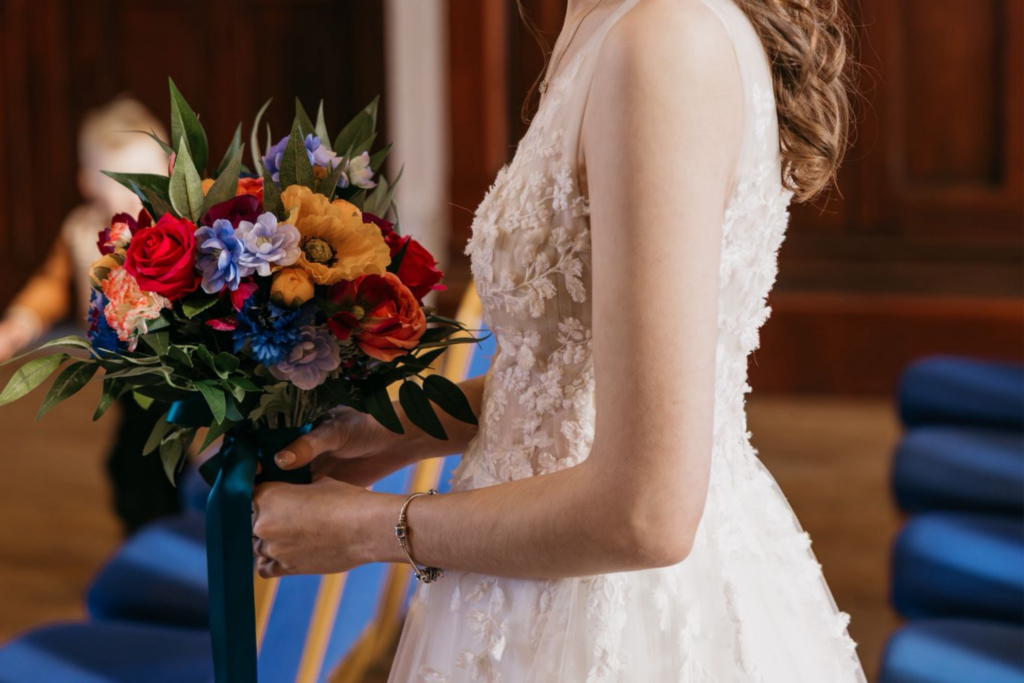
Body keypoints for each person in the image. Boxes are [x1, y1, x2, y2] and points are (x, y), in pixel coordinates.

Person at [252, 0, 867, 680]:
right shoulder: (599, 18)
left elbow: (646, 514)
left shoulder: (662, 42)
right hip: (518, 575)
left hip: (612, 609)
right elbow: (576, 376)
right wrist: (395, 430)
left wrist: (365, 528)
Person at [0, 97, 180, 534]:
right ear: (87, 184)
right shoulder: (83, 230)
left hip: (184, 363)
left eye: (145, 177)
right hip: (126, 370)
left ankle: (182, 527)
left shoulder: (179, 226)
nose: (134, 193)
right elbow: (52, 283)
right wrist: (19, 323)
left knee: (171, 451)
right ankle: (149, 534)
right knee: (134, 460)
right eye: (117, 181)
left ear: (172, 168)